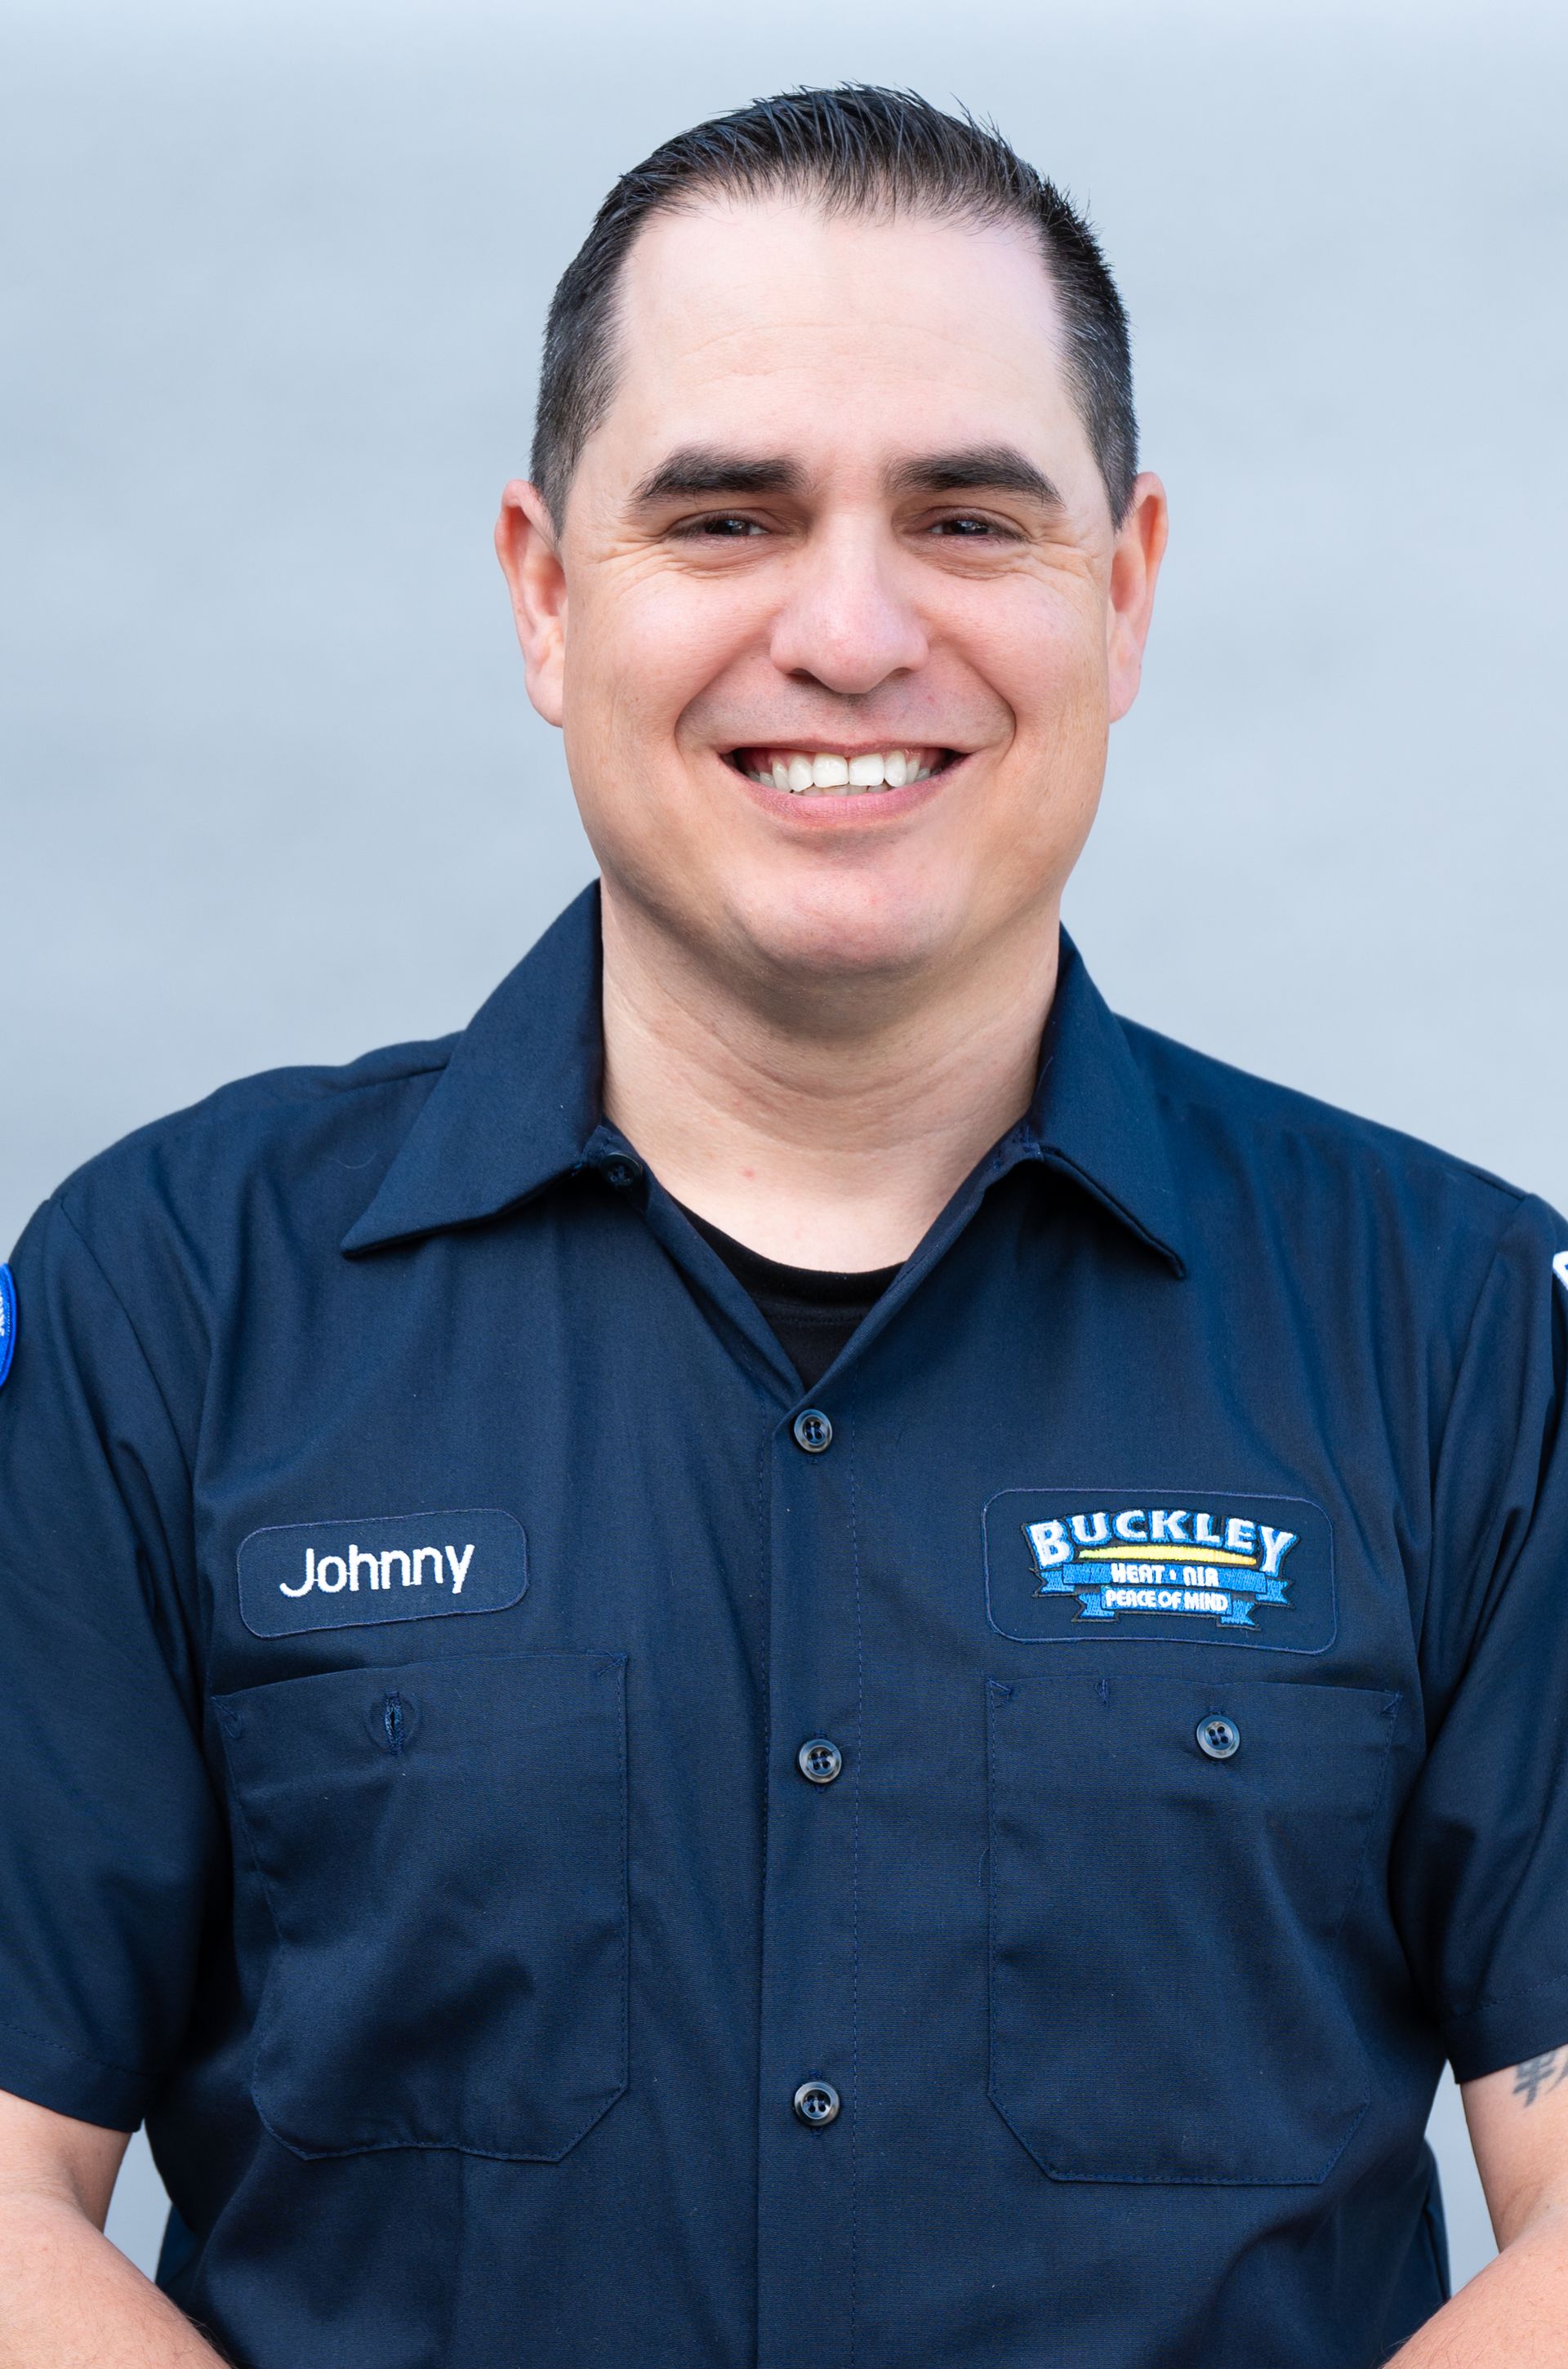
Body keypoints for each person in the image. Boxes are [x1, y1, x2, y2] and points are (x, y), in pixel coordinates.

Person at [0, 82, 1565, 2369]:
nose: (849, 632)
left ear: (1120, 594)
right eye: (726, 516)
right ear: (551, 597)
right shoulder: (169, 1301)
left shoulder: (1464, 1336)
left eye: (966, 517)